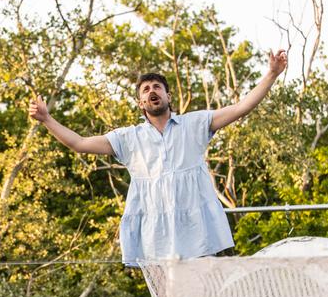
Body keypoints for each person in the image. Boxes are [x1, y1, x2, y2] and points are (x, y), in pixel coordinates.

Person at [28, 50, 288, 263]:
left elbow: (242, 107)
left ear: (168, 96)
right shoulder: (128, 138)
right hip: (156, 239)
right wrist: (47, 119)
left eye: (157, 87)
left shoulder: (195, 124)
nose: (152, 91)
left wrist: (272, 74)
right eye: (145, 90)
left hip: (197, 234)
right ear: (141, 103)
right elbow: (80, 143)